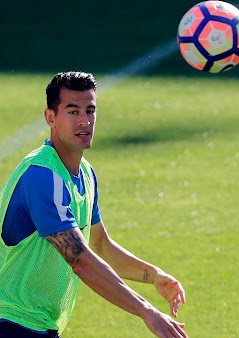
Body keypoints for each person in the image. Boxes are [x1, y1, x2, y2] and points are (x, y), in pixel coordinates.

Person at [0, 71, 187, 338]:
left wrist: (153, 275)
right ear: (50, 117)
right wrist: (147, 311)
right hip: (12, 323)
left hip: (37, 325)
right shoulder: (43, 176)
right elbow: (80, 260)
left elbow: (99, 246)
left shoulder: (85, 174)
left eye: (90, 110)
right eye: (73, 111)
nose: (84, 121)